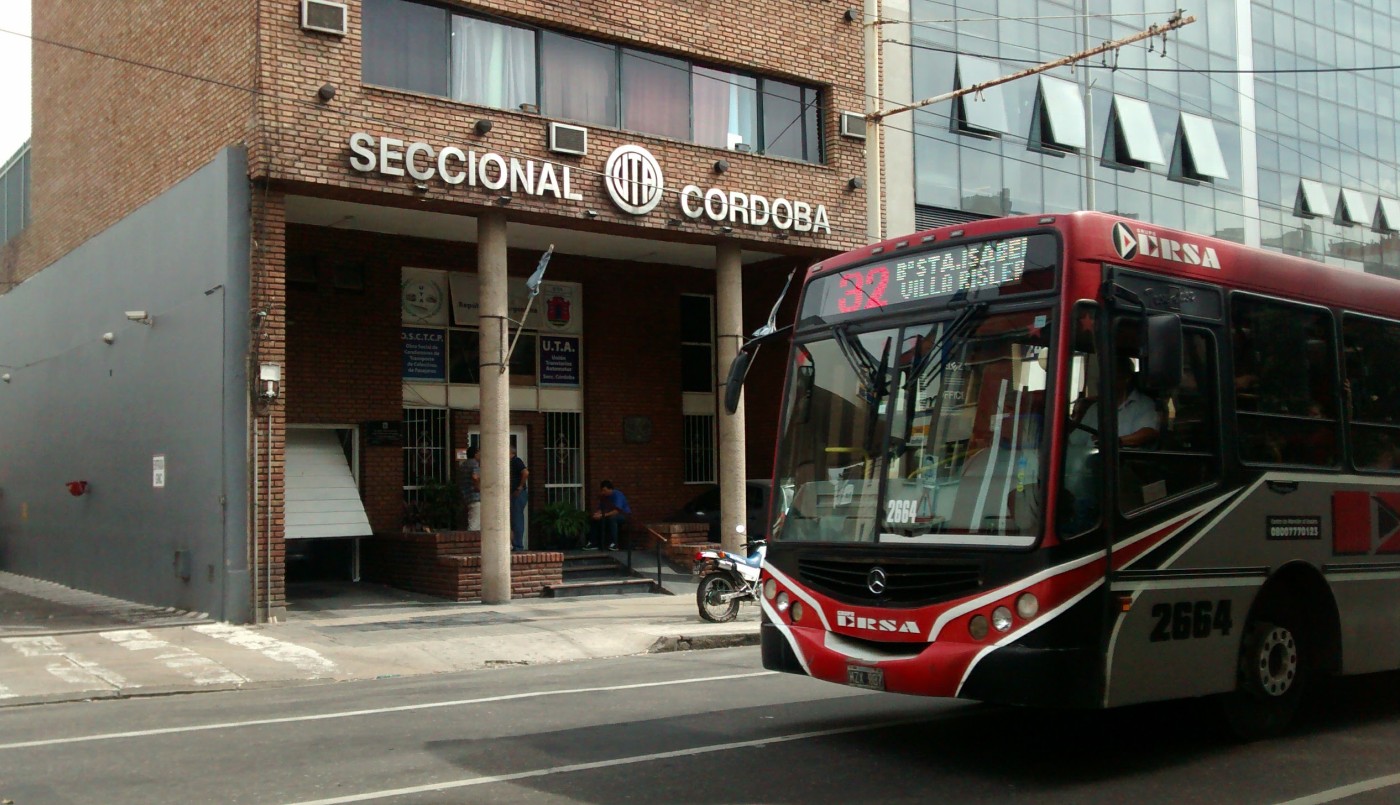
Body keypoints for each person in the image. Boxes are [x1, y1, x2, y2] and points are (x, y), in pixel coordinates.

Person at [587, 480, 631, 551]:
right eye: (602, 490)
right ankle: (593, 543)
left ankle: (614, 544)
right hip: (608, 515)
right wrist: (598, 514)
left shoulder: (617, 495)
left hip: (623, 515)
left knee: (612, 519)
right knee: (594, 520)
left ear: (610, 489)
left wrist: (603, 515)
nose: (603, 492)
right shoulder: (604, 497)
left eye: (605, 490)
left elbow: (616, 511)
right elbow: (601, 508)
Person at [509, 446, 528, 551]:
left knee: (517, 519)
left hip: (518, 494)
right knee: (513, 520)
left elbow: (525, 472)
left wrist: (520, 487)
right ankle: (514, 544)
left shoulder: (516, 461)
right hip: (512, 494)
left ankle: (518, 546)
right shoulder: (509, 463)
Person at [458, 445, 481, 531]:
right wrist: (478, 487)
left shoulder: (463, 464)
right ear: (475, 454)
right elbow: (475, 477)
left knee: (473, 521)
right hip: (476, 497)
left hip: (467, 497)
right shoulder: (475, 463)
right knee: (474, 525)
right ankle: (472, 543)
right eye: (479, 453)